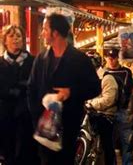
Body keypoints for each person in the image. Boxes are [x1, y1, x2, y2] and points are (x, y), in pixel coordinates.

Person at [28, 13, 101, 164]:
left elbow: (95, 88)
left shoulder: (79, 59)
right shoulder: (41, 59)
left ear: (55, 33)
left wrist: (71, 93)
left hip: (68, 125)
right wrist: (37, 116)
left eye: (45, 29)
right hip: (44, 128)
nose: (42, 33)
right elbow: (31, 89)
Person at [0, 25, 39, 165]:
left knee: (28, 155)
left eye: (18, 36)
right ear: (5, 41)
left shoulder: (33, 61)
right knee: (9, 156)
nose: (16, 39)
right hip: (6, 118)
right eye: (11, 36)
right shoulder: (1, 63)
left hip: (27, 117)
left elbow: (37, 86)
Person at [85, 52, 118, 165]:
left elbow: (108, 100)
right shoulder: (88, 78)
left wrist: (91, 103)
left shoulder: (107, 78)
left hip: (105, 115)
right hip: (89, 114)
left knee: (106, 145)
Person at [103, 48, 133, 165]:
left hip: (123, 110)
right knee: (108, 142)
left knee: (126, 141)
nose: (111, 60)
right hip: (108, 110)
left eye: (114, 58)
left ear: (118, 58)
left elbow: (128, 89)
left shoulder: (126, 72)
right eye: (109, 57)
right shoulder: (103, 72)